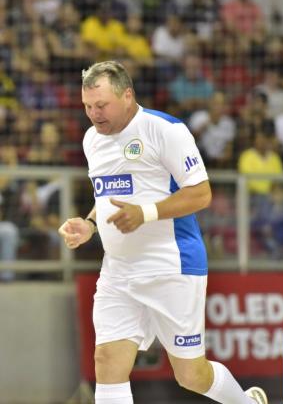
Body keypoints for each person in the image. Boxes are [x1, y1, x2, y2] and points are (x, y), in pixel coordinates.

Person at [58, 60, 267, 404]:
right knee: (107, 362)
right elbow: (109, 195)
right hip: (119, 270)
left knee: (191, 375)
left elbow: (201, 194)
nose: (94, 114)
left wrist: (147, 213)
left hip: (172, 264)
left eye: (102, 105)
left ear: (127, 96)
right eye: (87, 106)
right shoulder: (92, 140)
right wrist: (90, 223)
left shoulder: (165, 130)